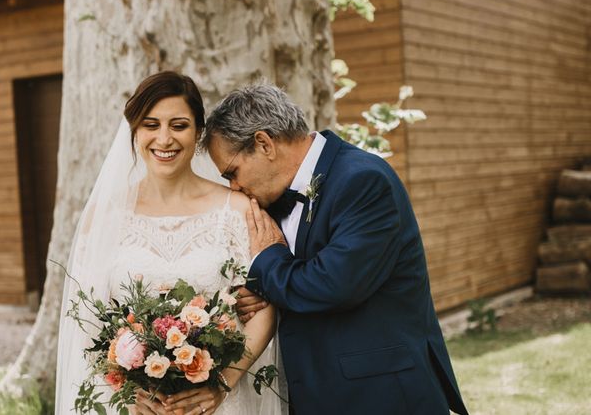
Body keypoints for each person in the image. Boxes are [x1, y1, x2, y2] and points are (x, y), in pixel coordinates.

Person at [205, 83, 468, 415]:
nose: (234, 187)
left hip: (380, 396)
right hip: (315, 395)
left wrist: (267, 263)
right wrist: (264, 291)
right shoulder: (272, 196)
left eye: (232, 172)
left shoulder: (363, 181)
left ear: (264, 143)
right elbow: (291, 279)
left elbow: (333, 284)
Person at [55, 72, 281, 415]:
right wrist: (128, 392)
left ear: (198, 132)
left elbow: (264, 310)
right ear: (134, 131)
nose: (164, 138)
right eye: (150, 124)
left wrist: (220, 385)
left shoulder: (236, 211)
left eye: (178, 125)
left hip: (219, 402)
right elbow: (85, 322)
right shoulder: (105, 218)